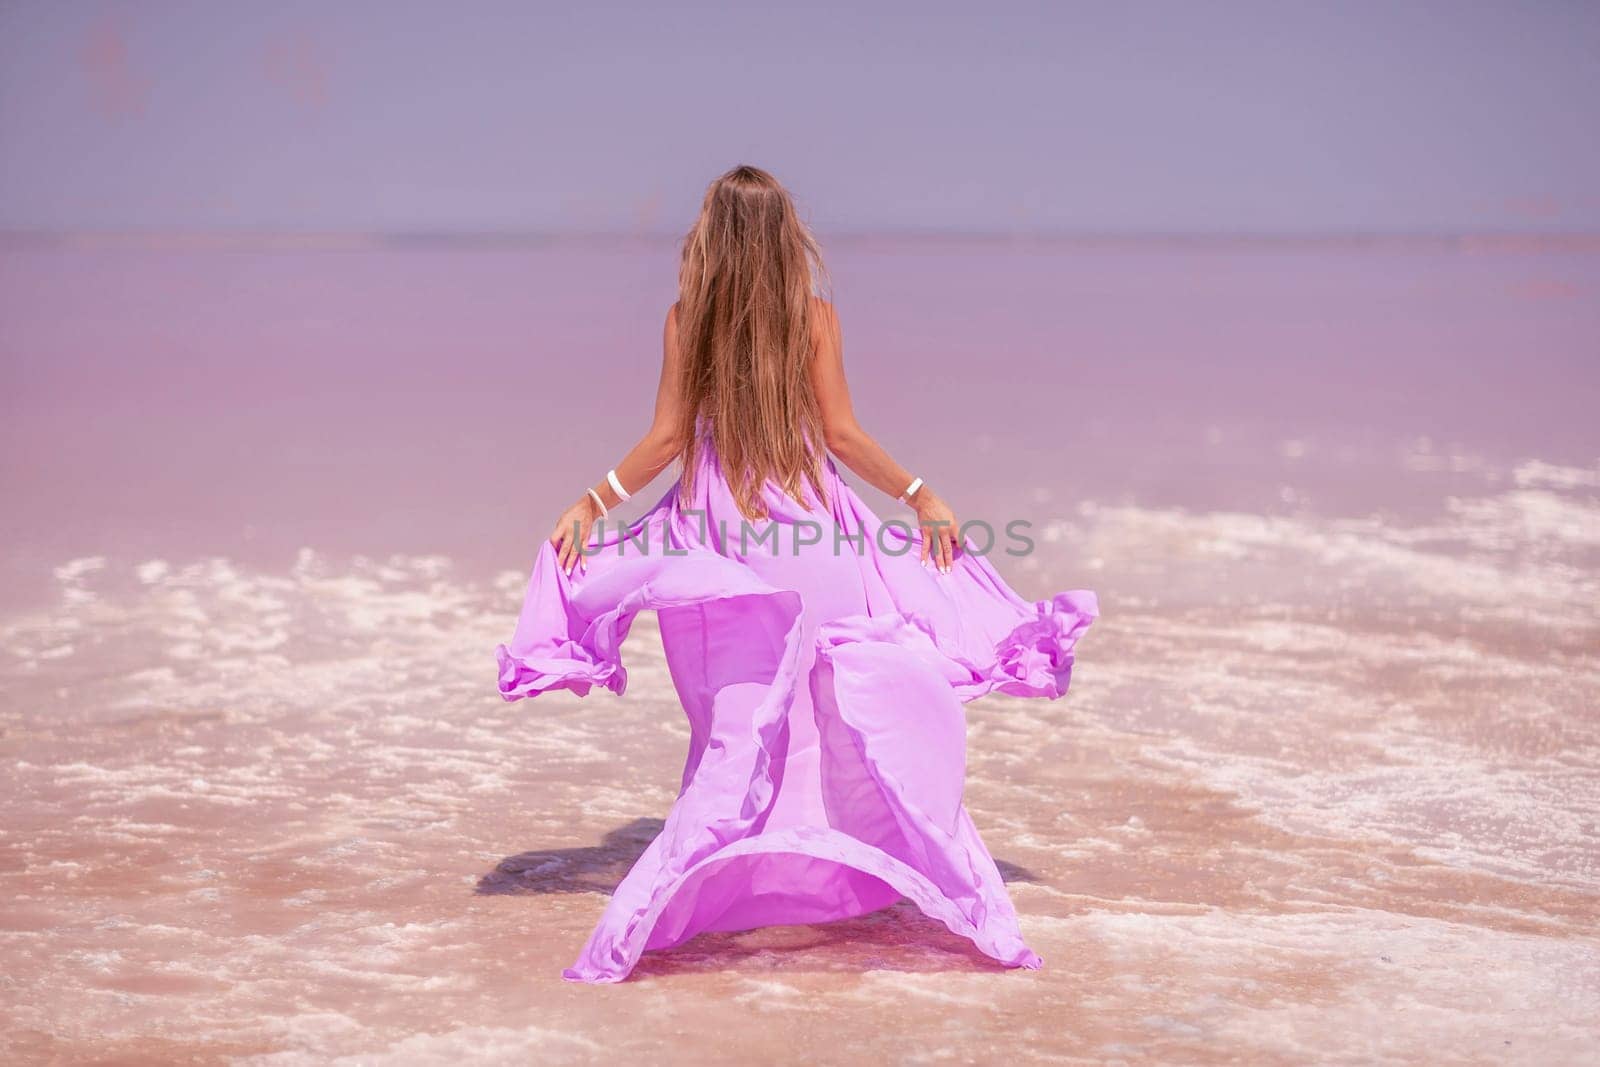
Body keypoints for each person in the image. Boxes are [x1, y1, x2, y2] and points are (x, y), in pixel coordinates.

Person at [496, 165, 1097, 983]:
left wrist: (589, 503)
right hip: (817, 539)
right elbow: (842, 436)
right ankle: (853, 880)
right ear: (787, 236)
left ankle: (716, 892)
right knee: (831, 716)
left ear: (709, 236)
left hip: (720, 541)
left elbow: (668, 439)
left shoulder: (686, 322)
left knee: (737, 726)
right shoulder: (814, 318)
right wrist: (922, 497)